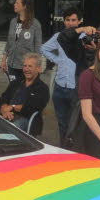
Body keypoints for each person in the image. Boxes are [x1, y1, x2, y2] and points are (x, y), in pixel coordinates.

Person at [40, 8, 81, 143]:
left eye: (73, 20)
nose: (70, 23)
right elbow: (44, 48)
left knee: (75, 124)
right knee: (62, 124)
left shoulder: (83, 37)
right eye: (68, 20)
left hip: (76, 87)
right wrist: (58, 60)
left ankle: (75, 150)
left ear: (80, 21)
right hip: (60, 86)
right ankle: (63, 147)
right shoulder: (59, 36)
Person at [0, 53, 50, 133]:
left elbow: (32, 107)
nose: (26, 69)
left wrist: (12, 107)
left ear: (38, 69)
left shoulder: (42, 88)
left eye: (30, 66)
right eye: (25, 66)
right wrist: (4, 109)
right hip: (6, 114)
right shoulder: (16, 82)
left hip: (26, 119)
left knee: (12, 128)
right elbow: (3, 98)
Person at [2, 0, 41, 78]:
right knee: (13, 88)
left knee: (26, 90)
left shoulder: (35, 24)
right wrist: (4, 59)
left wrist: (37, 65)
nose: (14, 4)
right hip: (12, 64)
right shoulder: (13, 22)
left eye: (17, 3)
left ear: (25, 6)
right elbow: (9, 42)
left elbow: (38, 46)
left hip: (27, 66)